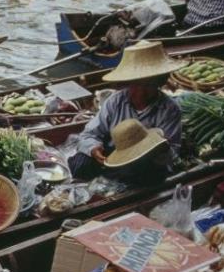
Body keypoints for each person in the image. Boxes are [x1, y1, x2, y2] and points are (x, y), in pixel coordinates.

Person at [68, 40, 183, 181]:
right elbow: (89, 134)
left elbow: (173, 154)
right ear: (128, 83)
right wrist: (94, 149)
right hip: (112, 153)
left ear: (159, 82)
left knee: (143, 174)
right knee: (81, 163)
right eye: (136, 85)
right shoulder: (115, 101)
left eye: (148, 85)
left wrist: (159, 149)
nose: (140, 92)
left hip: (145, 162)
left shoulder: (169, 110)